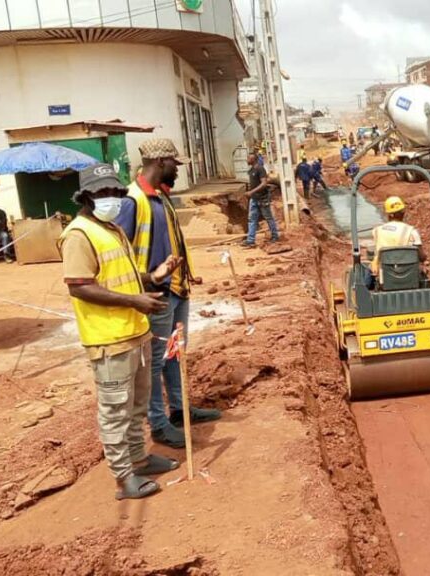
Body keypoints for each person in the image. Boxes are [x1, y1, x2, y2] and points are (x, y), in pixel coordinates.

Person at [59, 163, 182, 500]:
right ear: (86, 197)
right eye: (103, 192)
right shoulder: (78, 235)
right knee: (115, 411)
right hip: (108, 339)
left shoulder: (111, 228)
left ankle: (139, 458)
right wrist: (134, 301)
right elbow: (80, 286)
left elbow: (123, 274)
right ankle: (123, 477)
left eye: (115, 191)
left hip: (134, 332)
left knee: (137, 405)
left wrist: (154, 277)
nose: (111, 197)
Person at [117, 139, 221, 449]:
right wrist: (144, 283)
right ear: (160, 162)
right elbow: (120, 255)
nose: (177, 170)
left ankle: (179, 409)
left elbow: (171, 241)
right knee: (155, 361)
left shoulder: (160, 197)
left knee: (175, 354)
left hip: (176, 288)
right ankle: (158, 423)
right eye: (175, 164)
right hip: (154, 294)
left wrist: (186, 273)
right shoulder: (133, 201)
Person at [367, 196, 424, 289]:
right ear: (403, 213)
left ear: (389, 214)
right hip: (410, 277)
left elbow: (376, 250)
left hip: (384, 278)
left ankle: (366, 291)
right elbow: (422, 257)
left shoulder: (377, 231)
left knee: (368, 271)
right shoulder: (411, 231)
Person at [242, 152, 280, 247]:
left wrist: (251, 192)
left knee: (268, 218)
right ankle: (250, 240)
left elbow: (264, 183)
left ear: (253, 159)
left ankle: (275, 236)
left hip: (263, 199)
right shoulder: (251, 170)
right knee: (252, 219)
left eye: (248, 158)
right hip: (254, 199)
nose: (246, 160)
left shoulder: (260, 169)